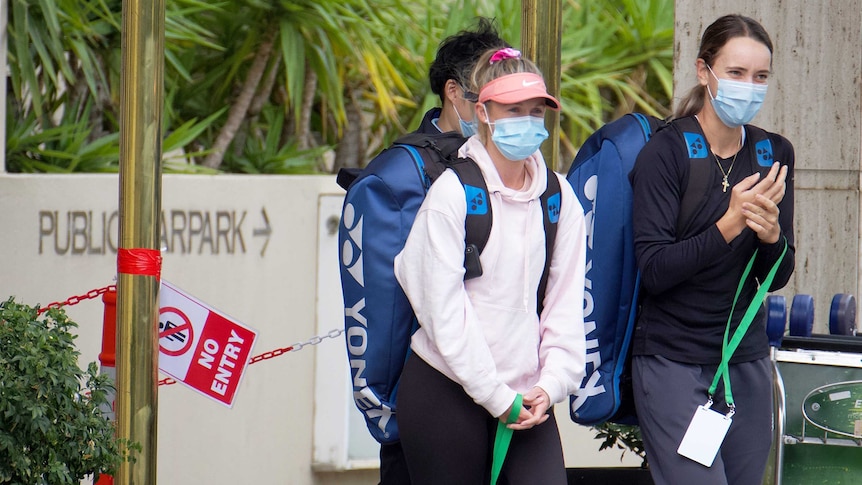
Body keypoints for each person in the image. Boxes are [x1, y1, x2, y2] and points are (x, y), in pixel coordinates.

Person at [394, 47, 588, 484]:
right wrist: (495, 395)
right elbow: (443, 313)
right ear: (483, 111)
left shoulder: (559, 199)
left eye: (536, 111)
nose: (528, 121)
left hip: (527, 399)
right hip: (446, 390)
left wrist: (550, 385)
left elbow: (564, 305)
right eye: (513, 109)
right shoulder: (453, 194)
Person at [628, 14, 795, 485]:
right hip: (672, 359)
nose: (750, 86)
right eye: (737, 73)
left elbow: (777, 273)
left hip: (745, 355)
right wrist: (729, 223)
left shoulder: (773, 153)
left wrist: (770, 238)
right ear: (705, 72)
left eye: (760, 76)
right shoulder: (667, 152)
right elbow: (655, 269)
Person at [369, 19, 510, 485]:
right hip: (432, 379)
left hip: (510, 381)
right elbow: (387, 302)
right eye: (484, 94)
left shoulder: (519, 165)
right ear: (454, 91)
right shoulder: (403, 173)